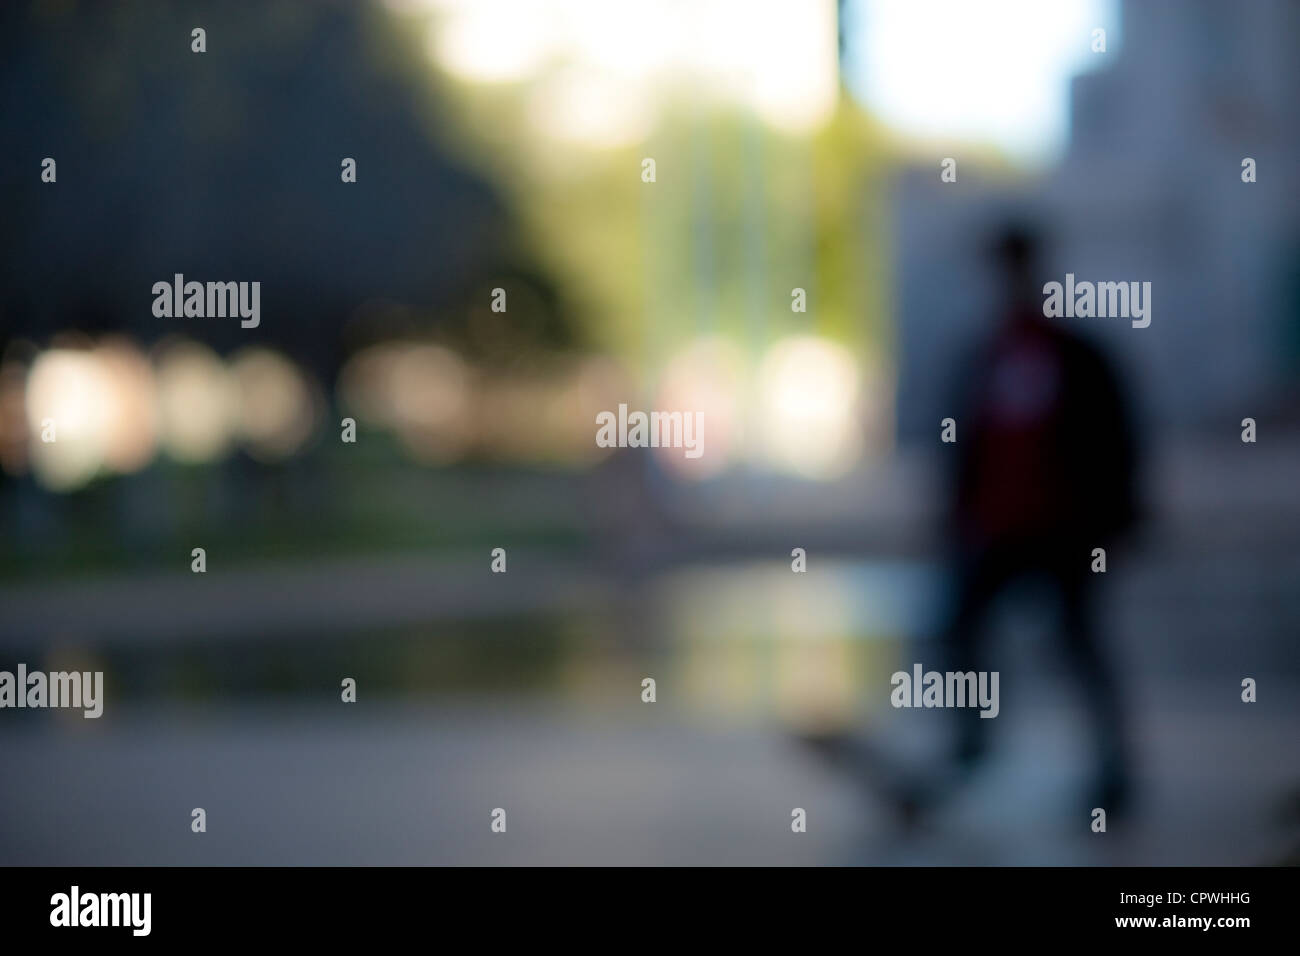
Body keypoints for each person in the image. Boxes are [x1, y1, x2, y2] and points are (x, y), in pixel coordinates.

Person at [929, 223, 1142, 817]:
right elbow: (968, 448)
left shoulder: (1076, 355)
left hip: (1063, 531)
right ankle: (972, 743)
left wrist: (1119, 521)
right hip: (998, 530)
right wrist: (956, 518)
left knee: (1078, 648)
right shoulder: (988, 354)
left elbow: (1117, 440)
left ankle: (1112, 771)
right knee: (958, 630)